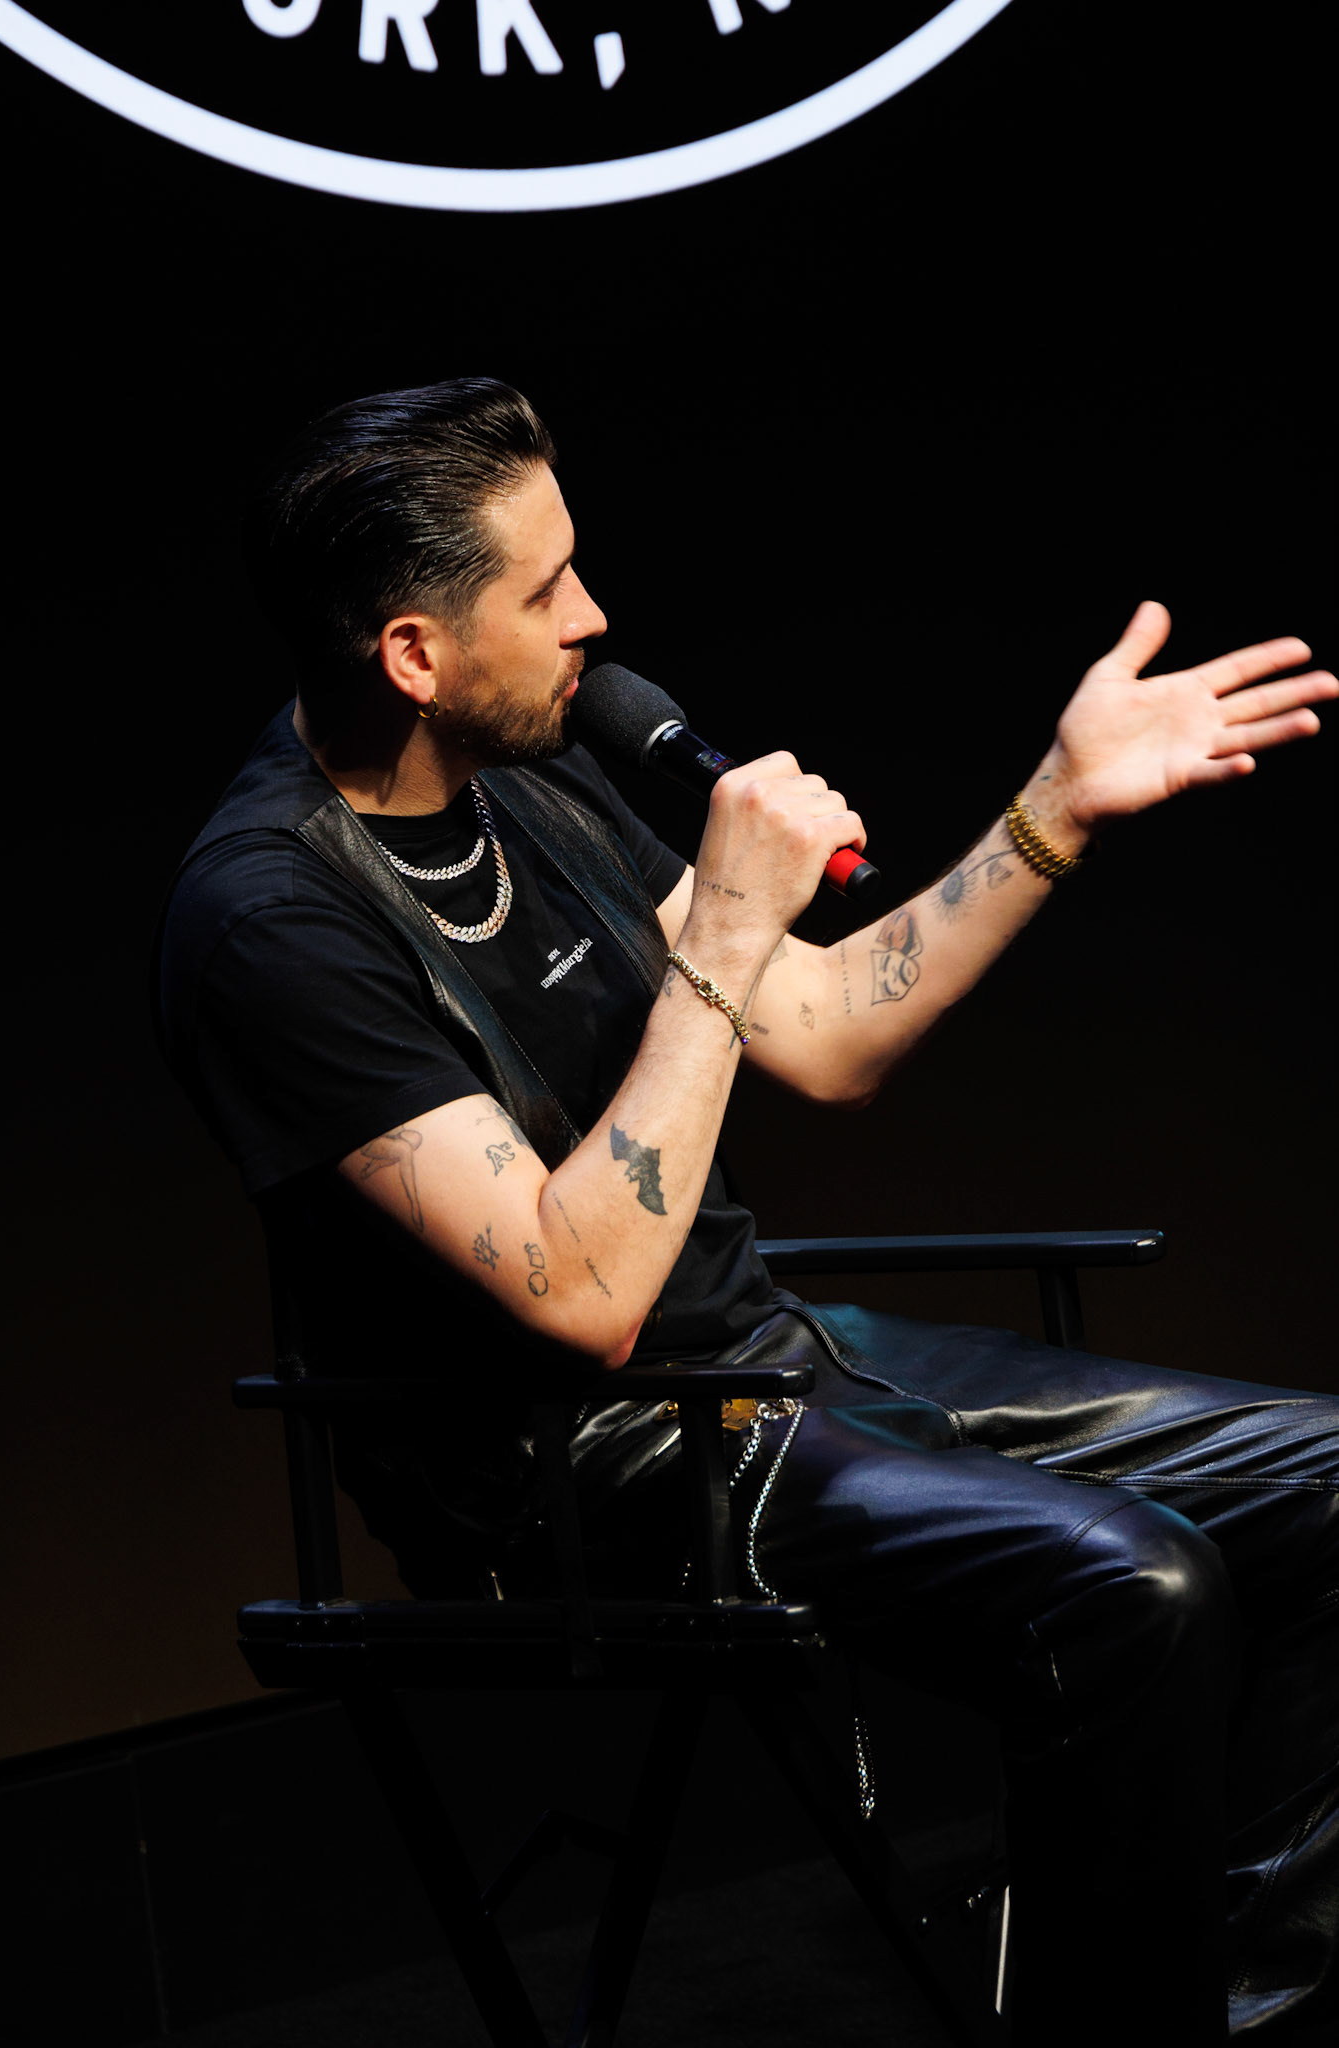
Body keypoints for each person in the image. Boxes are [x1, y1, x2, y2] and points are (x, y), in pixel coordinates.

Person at [154, 378, 1337, 2046]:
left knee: (1328, 1482)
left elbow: (825, 1026)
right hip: (577, 1463)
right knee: (1136, 1589)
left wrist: (1055, 809)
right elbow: (579, 1297)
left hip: (767, 1363)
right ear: (413, 653)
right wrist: (714, 933)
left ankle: (1239, 2010)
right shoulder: (270, 921)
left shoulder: (529, 780)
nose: (593, 616)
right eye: (544, 590)